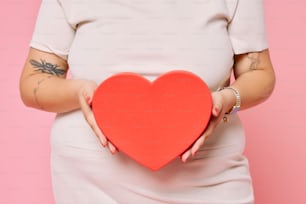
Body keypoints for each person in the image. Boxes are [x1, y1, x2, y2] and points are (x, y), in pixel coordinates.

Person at [19, 0, 275, 203]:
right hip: (92, 189)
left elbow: (260, 73)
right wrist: (81, 92)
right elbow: (34, 81)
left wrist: (228, 99)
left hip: (210, 180)